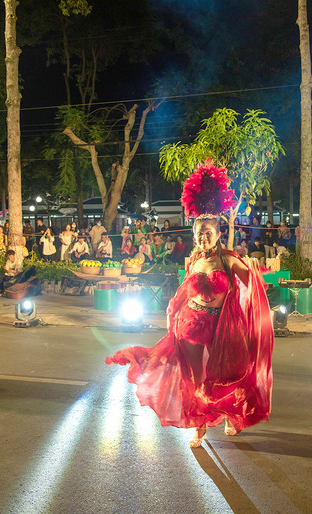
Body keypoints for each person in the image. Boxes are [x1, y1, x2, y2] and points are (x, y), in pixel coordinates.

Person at [106, 161, 273, 447]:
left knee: (227, 376)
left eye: (207, 232)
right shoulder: (194, 261)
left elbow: (255, 283)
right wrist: (171, 314)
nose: (202, 237)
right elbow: (184, 292)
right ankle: (200, 425)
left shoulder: (228, 260)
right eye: (198, 233)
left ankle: (231, 415)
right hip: (192, 325)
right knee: (196, 379)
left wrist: (256, 268)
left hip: (222, 328)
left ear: (218, 233)